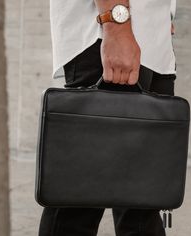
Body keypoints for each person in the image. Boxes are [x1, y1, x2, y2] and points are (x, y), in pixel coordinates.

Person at [39, 0, 177, 235]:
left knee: (145, 198)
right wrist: (115, 23)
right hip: (109, 32)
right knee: (80, 200)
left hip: (152, 40)